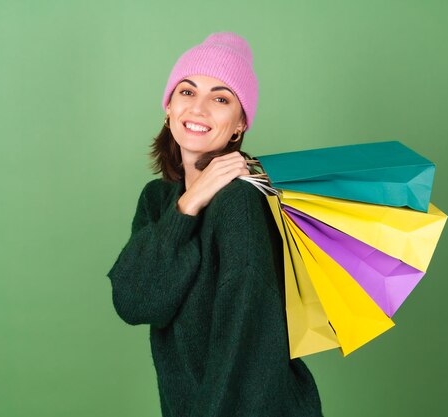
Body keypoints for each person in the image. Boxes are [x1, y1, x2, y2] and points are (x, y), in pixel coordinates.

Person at [106, 32, 324, 417]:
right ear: (169, 108)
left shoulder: (239, 201)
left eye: (221, 98)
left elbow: (248, 343)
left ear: (239, 125)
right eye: (187, 92)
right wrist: (187, 205)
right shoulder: (157, 200)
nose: (199, 108)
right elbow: (135, 302)